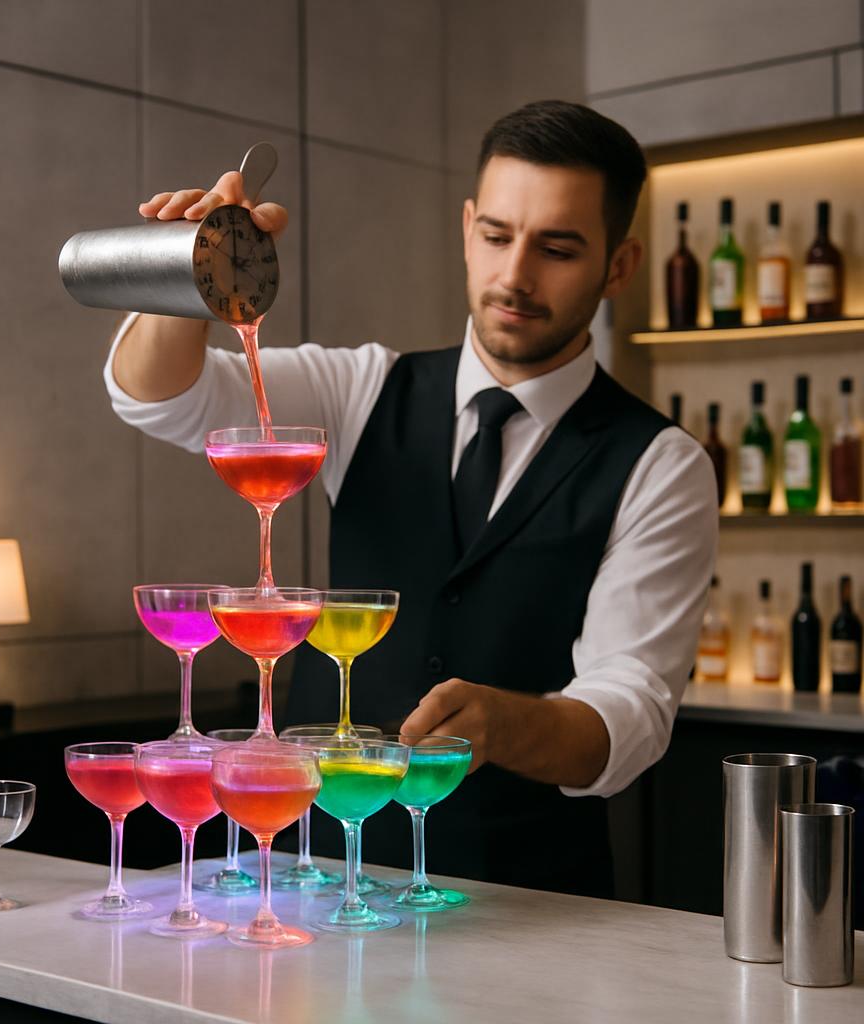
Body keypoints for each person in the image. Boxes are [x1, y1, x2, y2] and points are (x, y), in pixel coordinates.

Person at [104, 101, 718, 898]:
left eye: (558, 249)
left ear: (620, 265)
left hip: (526, 902)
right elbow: (163, 399)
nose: (515, 276)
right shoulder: (361, 388)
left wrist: (507, 724)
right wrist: (183, 272)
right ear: (467, 228)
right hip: (311, 876)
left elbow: (629, 713)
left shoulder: (661, 464)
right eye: (496, 236)